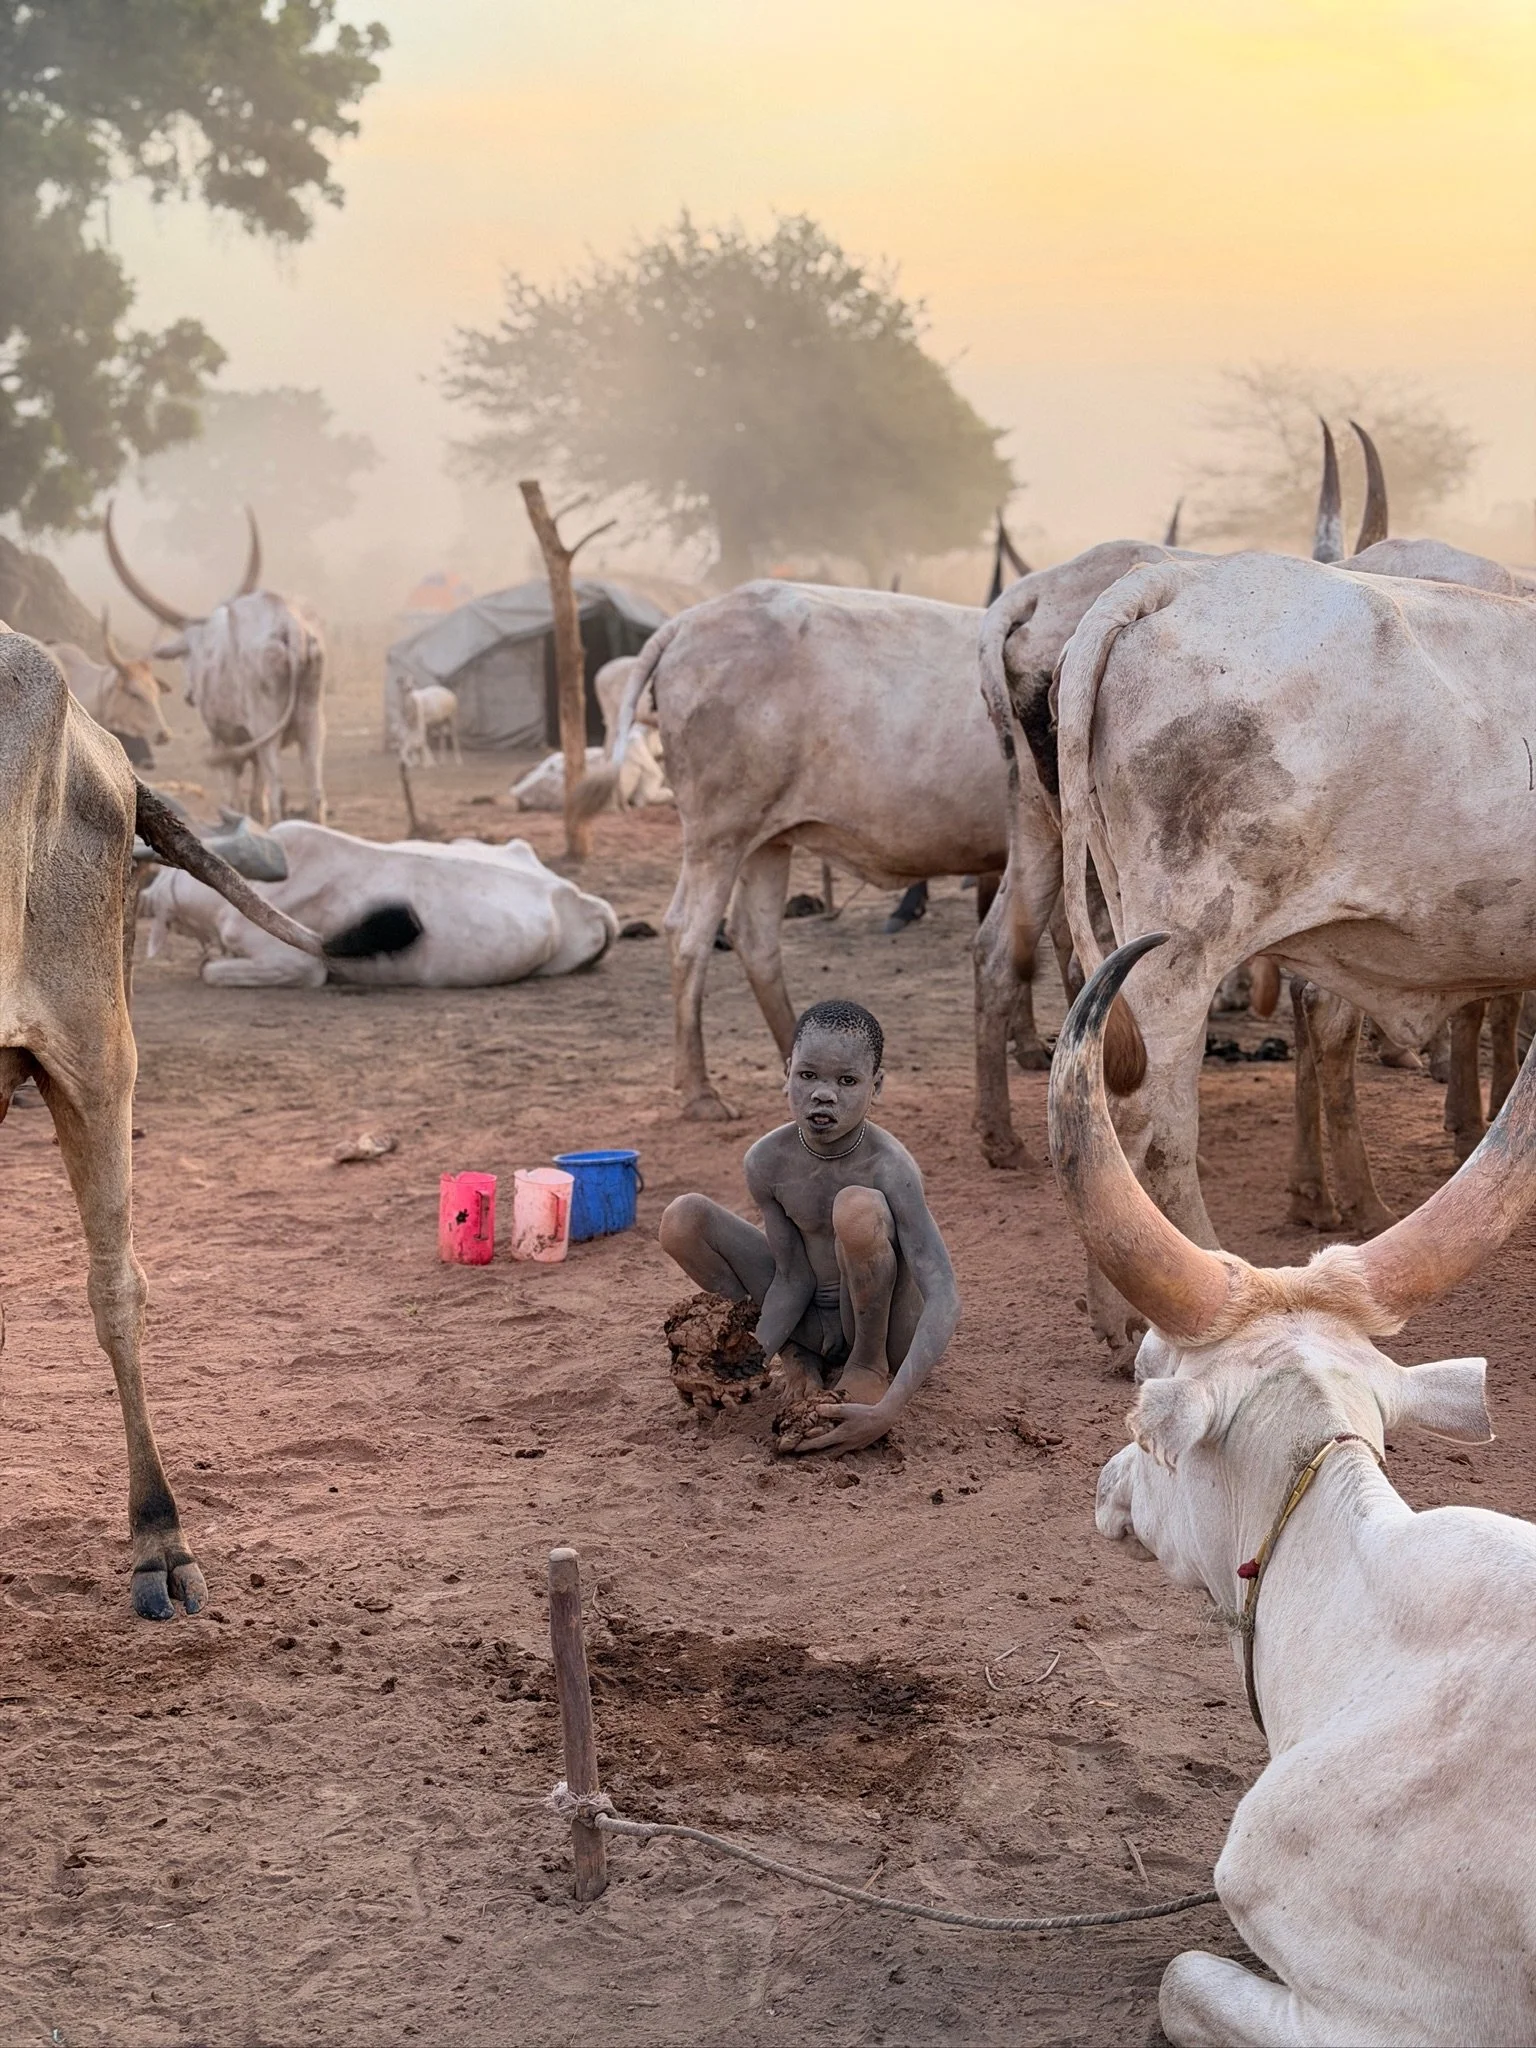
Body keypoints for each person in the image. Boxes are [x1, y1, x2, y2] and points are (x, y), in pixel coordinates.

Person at [659, 999, 959, 1454]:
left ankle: (866, 1367)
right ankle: (800, 1358)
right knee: (684, 1219)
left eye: (847, 1081)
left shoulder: (890, 1166)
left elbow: (944, 1294)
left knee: (856, 1209)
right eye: (808, 1075)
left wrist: (889, 1409)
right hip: (809, 1320)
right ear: (787, 1073)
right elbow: (792, 1277)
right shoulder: (767, 1161)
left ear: (876, 1086)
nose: (824, 1094)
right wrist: (751, 1357)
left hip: (882, 1328)